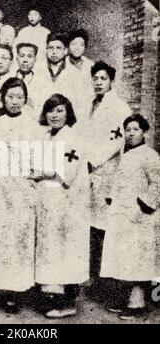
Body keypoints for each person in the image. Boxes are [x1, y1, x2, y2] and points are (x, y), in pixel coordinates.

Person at [0, 78, 38, 313]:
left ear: (25, 100)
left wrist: (29, 183)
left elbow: (37, 160)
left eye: (19, 97)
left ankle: (14, 294)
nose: (14, 101)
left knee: (17, 241)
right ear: (2, 98)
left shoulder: (32, 126)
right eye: (10, 96)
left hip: (20, 189)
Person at [33, 94, 90, 318]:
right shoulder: (45, 136)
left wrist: (41, 174)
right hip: (48, 201)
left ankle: (66, 302)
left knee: (64, 250)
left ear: (68, 114)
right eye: (50, 111)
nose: (54, 115)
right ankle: (50, 296)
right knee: (50, 248)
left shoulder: (73, 139)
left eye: (59, 111)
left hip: (67, 204)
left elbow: (67, 173)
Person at [99, 114, 160, 319]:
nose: (130, 133)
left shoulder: (149, 156)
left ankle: (137, 303)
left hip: (140, 218)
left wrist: (144, 205)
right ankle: (125, 300)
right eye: (127, 129)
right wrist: (111, 198)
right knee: (122, 259)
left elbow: (158, 184)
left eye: (135, 129)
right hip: (122, 217)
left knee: (136, 261)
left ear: (144, 131)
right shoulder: (128, 154)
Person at [84, 61, 132, 300]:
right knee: (92, 228)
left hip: (107, 171)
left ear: (111, 81)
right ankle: (94, 280)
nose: (99, 82)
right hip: (90, 171)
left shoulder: (119, 107)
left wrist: (92, 159)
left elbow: (116, 140)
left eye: (103, 79)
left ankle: (107, 284)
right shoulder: (91, 104)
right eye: (96, 78)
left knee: (105, 229)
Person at [35, 32, 82, 122]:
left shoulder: (75, 74)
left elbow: (79, 104)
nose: (54, 51)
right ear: (46, 50)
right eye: (51, 48)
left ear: (65, 51)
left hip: (64, 122)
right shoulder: (36, 69)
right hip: (39, 120)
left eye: (58, 48)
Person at [66, 29, 94, 118]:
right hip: (68, 110)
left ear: (85, 47)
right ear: (68, 46)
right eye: (73, 44)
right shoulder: (62, 65)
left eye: (81, 45)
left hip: (87, 109)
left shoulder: (91, 65)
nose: (77, 47)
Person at [15, 42, 47, 119]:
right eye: (22, 56)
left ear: (35, 60)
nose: (25, 60)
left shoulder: (43, 83)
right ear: (17, 59)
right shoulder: (7, 79)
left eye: (29, 56)